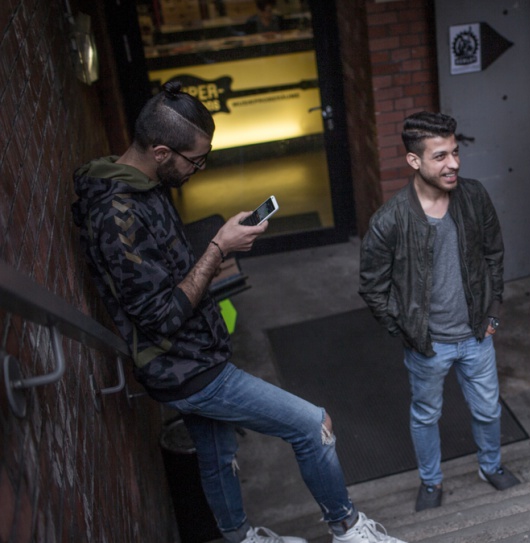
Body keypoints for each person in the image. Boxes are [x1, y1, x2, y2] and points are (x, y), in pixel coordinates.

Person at [71, 82, 404, 543]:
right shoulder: (116, 215)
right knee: (314, 424)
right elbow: (160, 316)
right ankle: (348, 529)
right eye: (195, 160)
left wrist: (214, 246)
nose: (199, 169)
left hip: (196, 354)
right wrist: (217, 248)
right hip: (187, 368)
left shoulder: (142, 183)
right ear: (163, 151)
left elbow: (165, 269)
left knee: (217, 453)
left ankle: (240, 538)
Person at [359, 111, 520, 512]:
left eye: (455, 152)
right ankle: (431, 482)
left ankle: (491, 466)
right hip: (428, 345)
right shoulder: (390, 221)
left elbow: (493, 256)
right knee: (426, 416)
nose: (453, 164)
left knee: (487, 408)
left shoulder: (474, 196)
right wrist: (408, 330)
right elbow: (373, 288)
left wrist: (493, 311)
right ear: (414, 161)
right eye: (440, 156)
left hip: (477, 335)